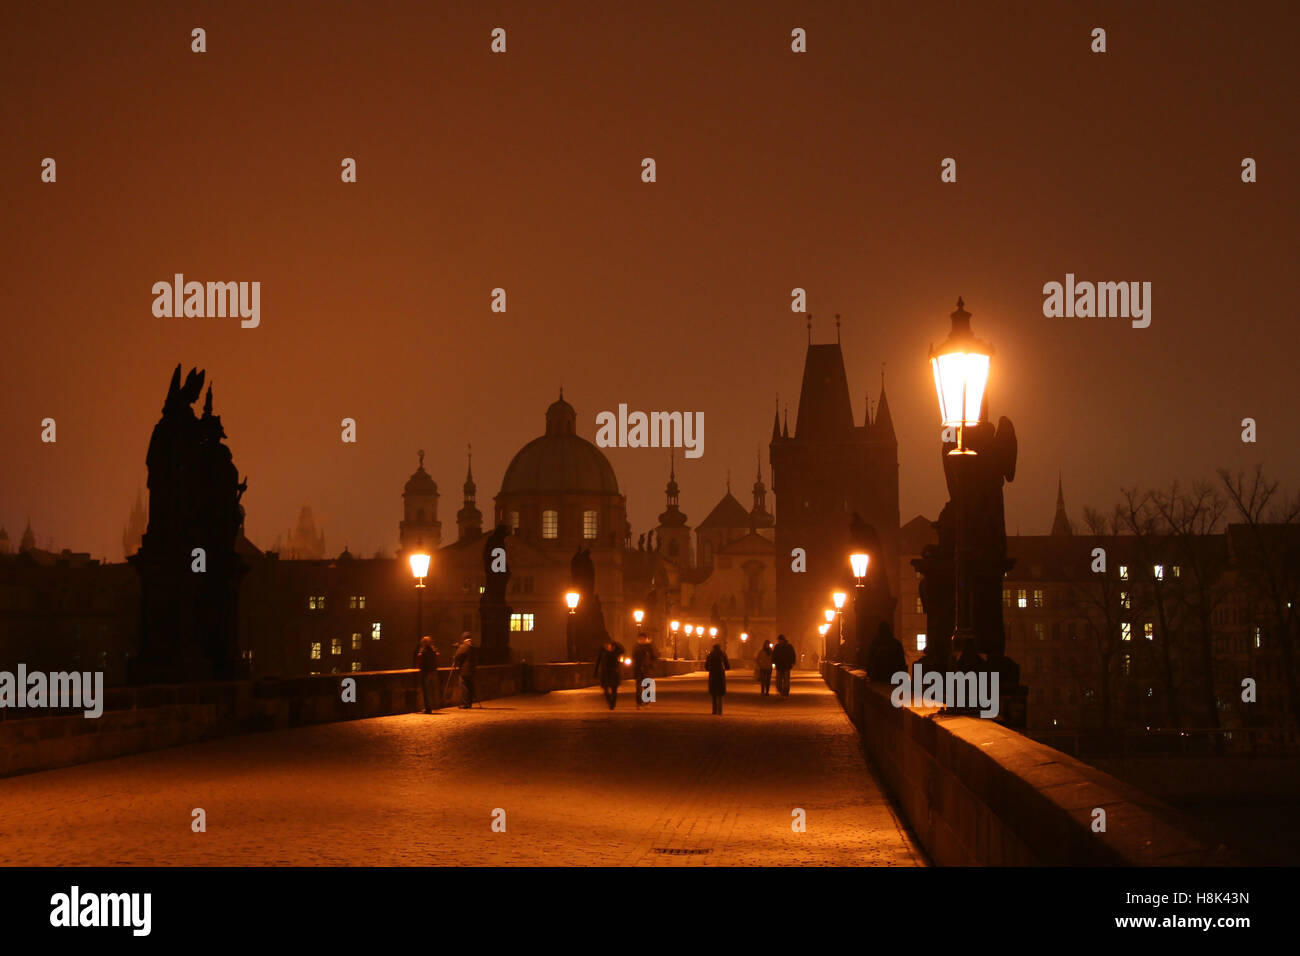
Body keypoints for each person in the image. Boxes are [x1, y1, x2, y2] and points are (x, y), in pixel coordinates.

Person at [594, 638, 625, 709]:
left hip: (614, 672)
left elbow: (622, 650)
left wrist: (617, 644)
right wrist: (595, 672)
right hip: (605, 673)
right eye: (607, 646)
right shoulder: (602, 652)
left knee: (614, 689)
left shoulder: (616, 652)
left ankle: (612, 704)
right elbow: (598, 662)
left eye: (610, 646)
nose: (608, 647)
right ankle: (609, 700)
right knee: (605, 688)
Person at [451, 634, 479, 709]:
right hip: (472, 670)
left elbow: (457, 656)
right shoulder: (474, 647)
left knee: (464, 686)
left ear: (464, 639)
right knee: (470, 686)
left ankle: (465, 703)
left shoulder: (464, 646)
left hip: (464, 670)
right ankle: (469, 703)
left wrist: (458, 649)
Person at [414, 636, 440, 713]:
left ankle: (428, 708)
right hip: (433, 672)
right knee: (432, 690)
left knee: (426, 691)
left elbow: (420, 662)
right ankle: (434, 706)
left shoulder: (424, 651)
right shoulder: (433, 650)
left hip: (426, 672)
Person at [631, 635, 656, 708]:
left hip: (646, 669)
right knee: (638, 688)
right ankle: (639, 703)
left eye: (643, 639)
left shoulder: (649, 647)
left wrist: (651, 666)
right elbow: (633, 657)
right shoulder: (636, 647)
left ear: (646, 639)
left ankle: (647, 702)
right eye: (640, 639)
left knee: (647, 687)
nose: (642, 640)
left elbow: (654, 657)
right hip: (638, 669)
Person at [705, 642, 730, 714]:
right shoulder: (723, 654)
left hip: (713, 675)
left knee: (713, 693)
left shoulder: (710, 655)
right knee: (720, 693)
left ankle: (714, 710)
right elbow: (728, 666)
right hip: (720, 675)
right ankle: (720, 710)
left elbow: (706, 667)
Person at [772, 634, 796, 698]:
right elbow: (793, 655)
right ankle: (784, 691)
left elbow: (774, 655)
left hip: (783, 666)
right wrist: (792, 662)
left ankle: (783, 691)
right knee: (784, 680)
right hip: (784, 666)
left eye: (779, 640)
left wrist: (774, 661)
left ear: (781, 640)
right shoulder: (789, 646)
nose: (778, 641)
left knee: (782, 680)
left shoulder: (780, 647)